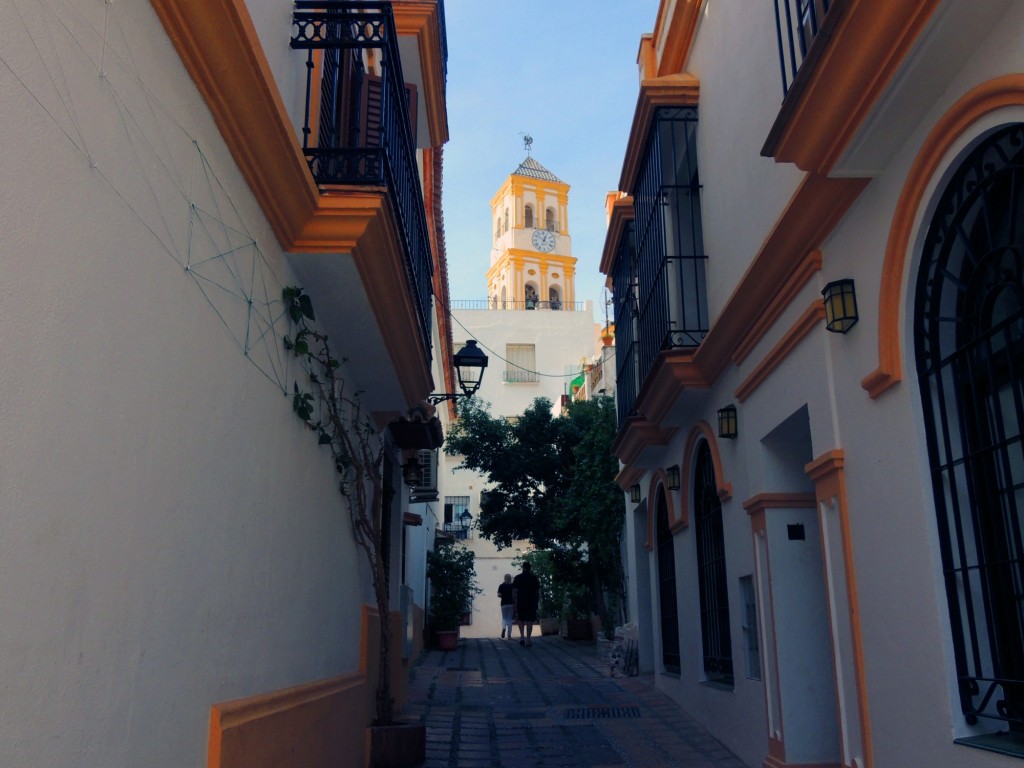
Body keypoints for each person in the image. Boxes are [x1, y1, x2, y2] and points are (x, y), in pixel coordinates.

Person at [511, 561, 541, 647]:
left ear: (523, 568)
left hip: (521, 601)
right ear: (530, 568)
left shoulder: (518, 578)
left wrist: (514, 602)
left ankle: (522, 637)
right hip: (531, 602)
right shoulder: (534, 578)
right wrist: (537, 602)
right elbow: (537, 592)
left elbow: (514, 591)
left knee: (521, 619)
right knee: (529, 621)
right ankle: (528, 639)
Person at [497, 574, 515, 639]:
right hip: (511, 603)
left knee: (504, 618)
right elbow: (515, 594)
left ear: (504, 578)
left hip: (503, 604)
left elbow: (498, 595)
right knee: (510, 619)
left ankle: (504, 628)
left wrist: (503, 596)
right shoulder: (513, 586)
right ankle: (509, 635)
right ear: (510, 578)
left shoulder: (501, 586)